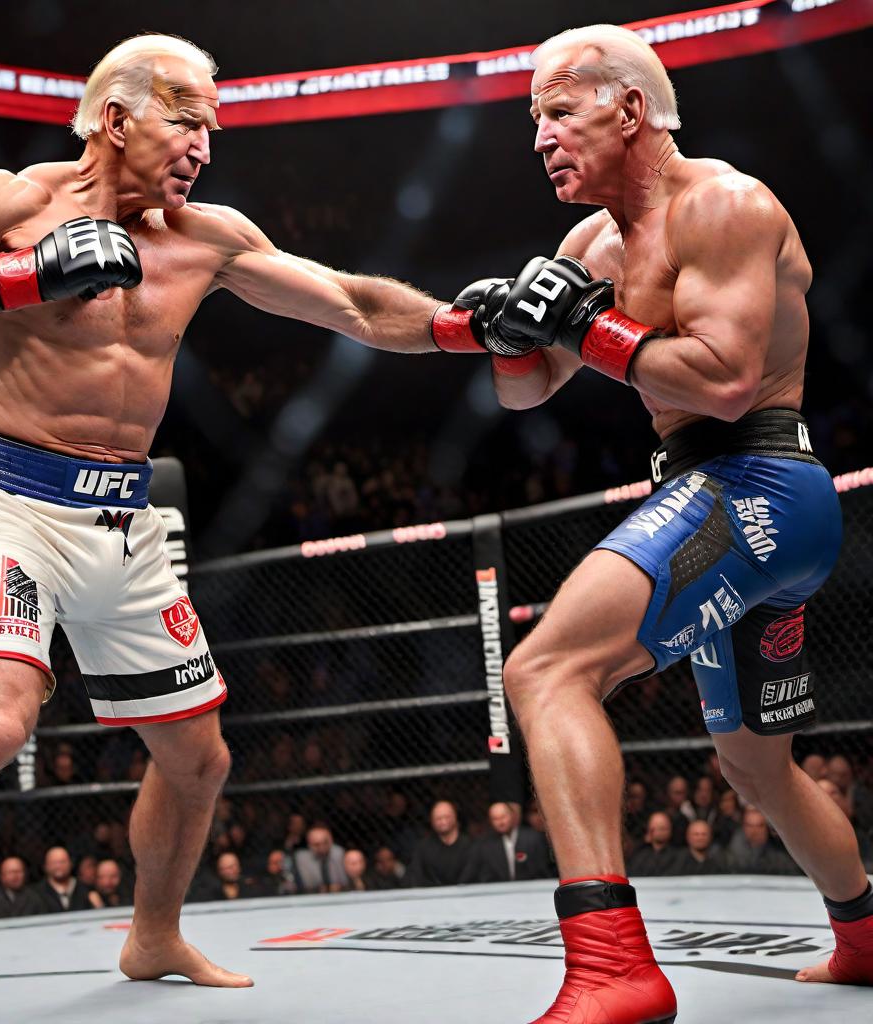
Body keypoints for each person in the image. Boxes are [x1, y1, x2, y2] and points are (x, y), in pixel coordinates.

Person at [0, 31, 451, 1022]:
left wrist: (463, 324)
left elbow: (349, 301)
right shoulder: (12, 203)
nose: (206, 146)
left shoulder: (206, 236)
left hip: (125, 521)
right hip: (12, 503)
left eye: (213, 127)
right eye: (189, 119)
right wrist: (26, 276)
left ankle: (153, 934)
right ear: (118, 119)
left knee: (199, 757)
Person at [436, 22, 872, 1022]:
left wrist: (587, 324)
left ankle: (612, 965)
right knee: (754, 763)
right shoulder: (586, 242)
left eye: (556, 111)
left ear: (629, 108)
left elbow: (722, 383)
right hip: (716, 491)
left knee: (544, 670)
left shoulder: (724, 203)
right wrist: (511, 334)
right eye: (531, 120)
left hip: (761, 478)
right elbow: (529, 391)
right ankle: (863, 934)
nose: (539, 138)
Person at [469, 801, 552, 883]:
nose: (501, 822)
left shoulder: (533, 838)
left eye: (503, 817)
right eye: (495, 819)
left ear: (513, 816)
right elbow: (485, 876)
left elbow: (543, 870)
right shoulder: (486, 845)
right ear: (490, 822)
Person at [403, 801, 475, 888]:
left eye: (447, 817)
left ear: (455, 817)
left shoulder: (470, 846)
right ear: (432, 821)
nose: (443, 821)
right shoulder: (423, 848)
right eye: (438, 818)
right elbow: (414, 876)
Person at [33, 846, 103, 913]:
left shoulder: (85, 890)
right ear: (46, 866)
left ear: (70, 864)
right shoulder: (36, 894)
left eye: (62, 862)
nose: (58, 866)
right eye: (54, 863)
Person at [292, 825, 347, 894]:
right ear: (309, 845)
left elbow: (343, 880)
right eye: (317, 844)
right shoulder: (302, 858)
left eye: (325, 843)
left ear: (331, 841)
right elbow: (308, 884)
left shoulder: (339, 853)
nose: (322, 848)